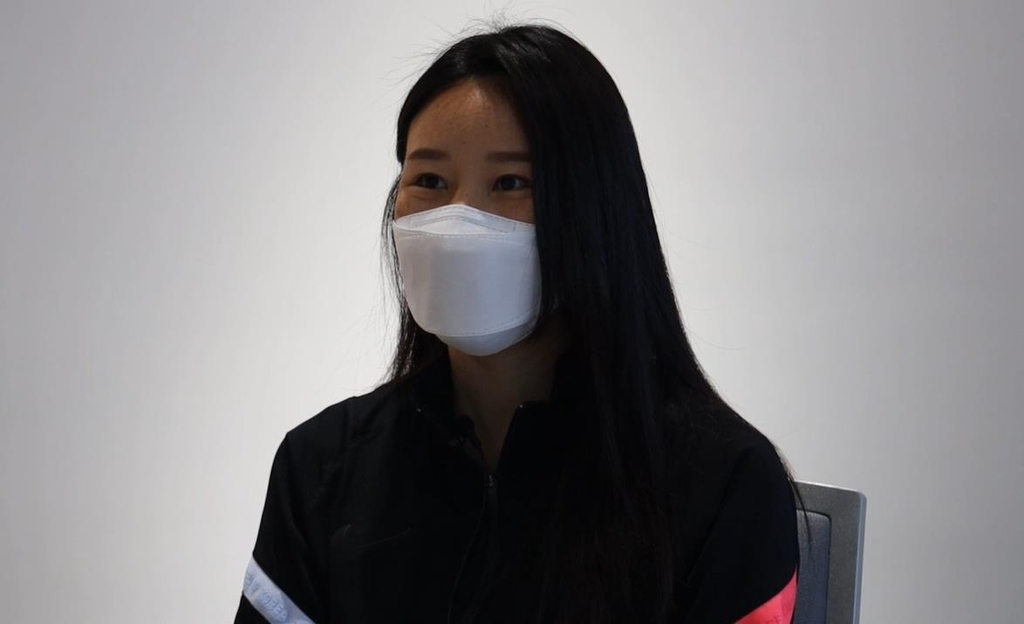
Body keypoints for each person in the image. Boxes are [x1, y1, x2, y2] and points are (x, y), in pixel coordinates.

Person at [234, 20, 802, 624]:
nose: (457, 221)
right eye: (429, 181)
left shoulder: (723, 485)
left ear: (596, 210)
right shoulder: (322, 466)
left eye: (510, 182)